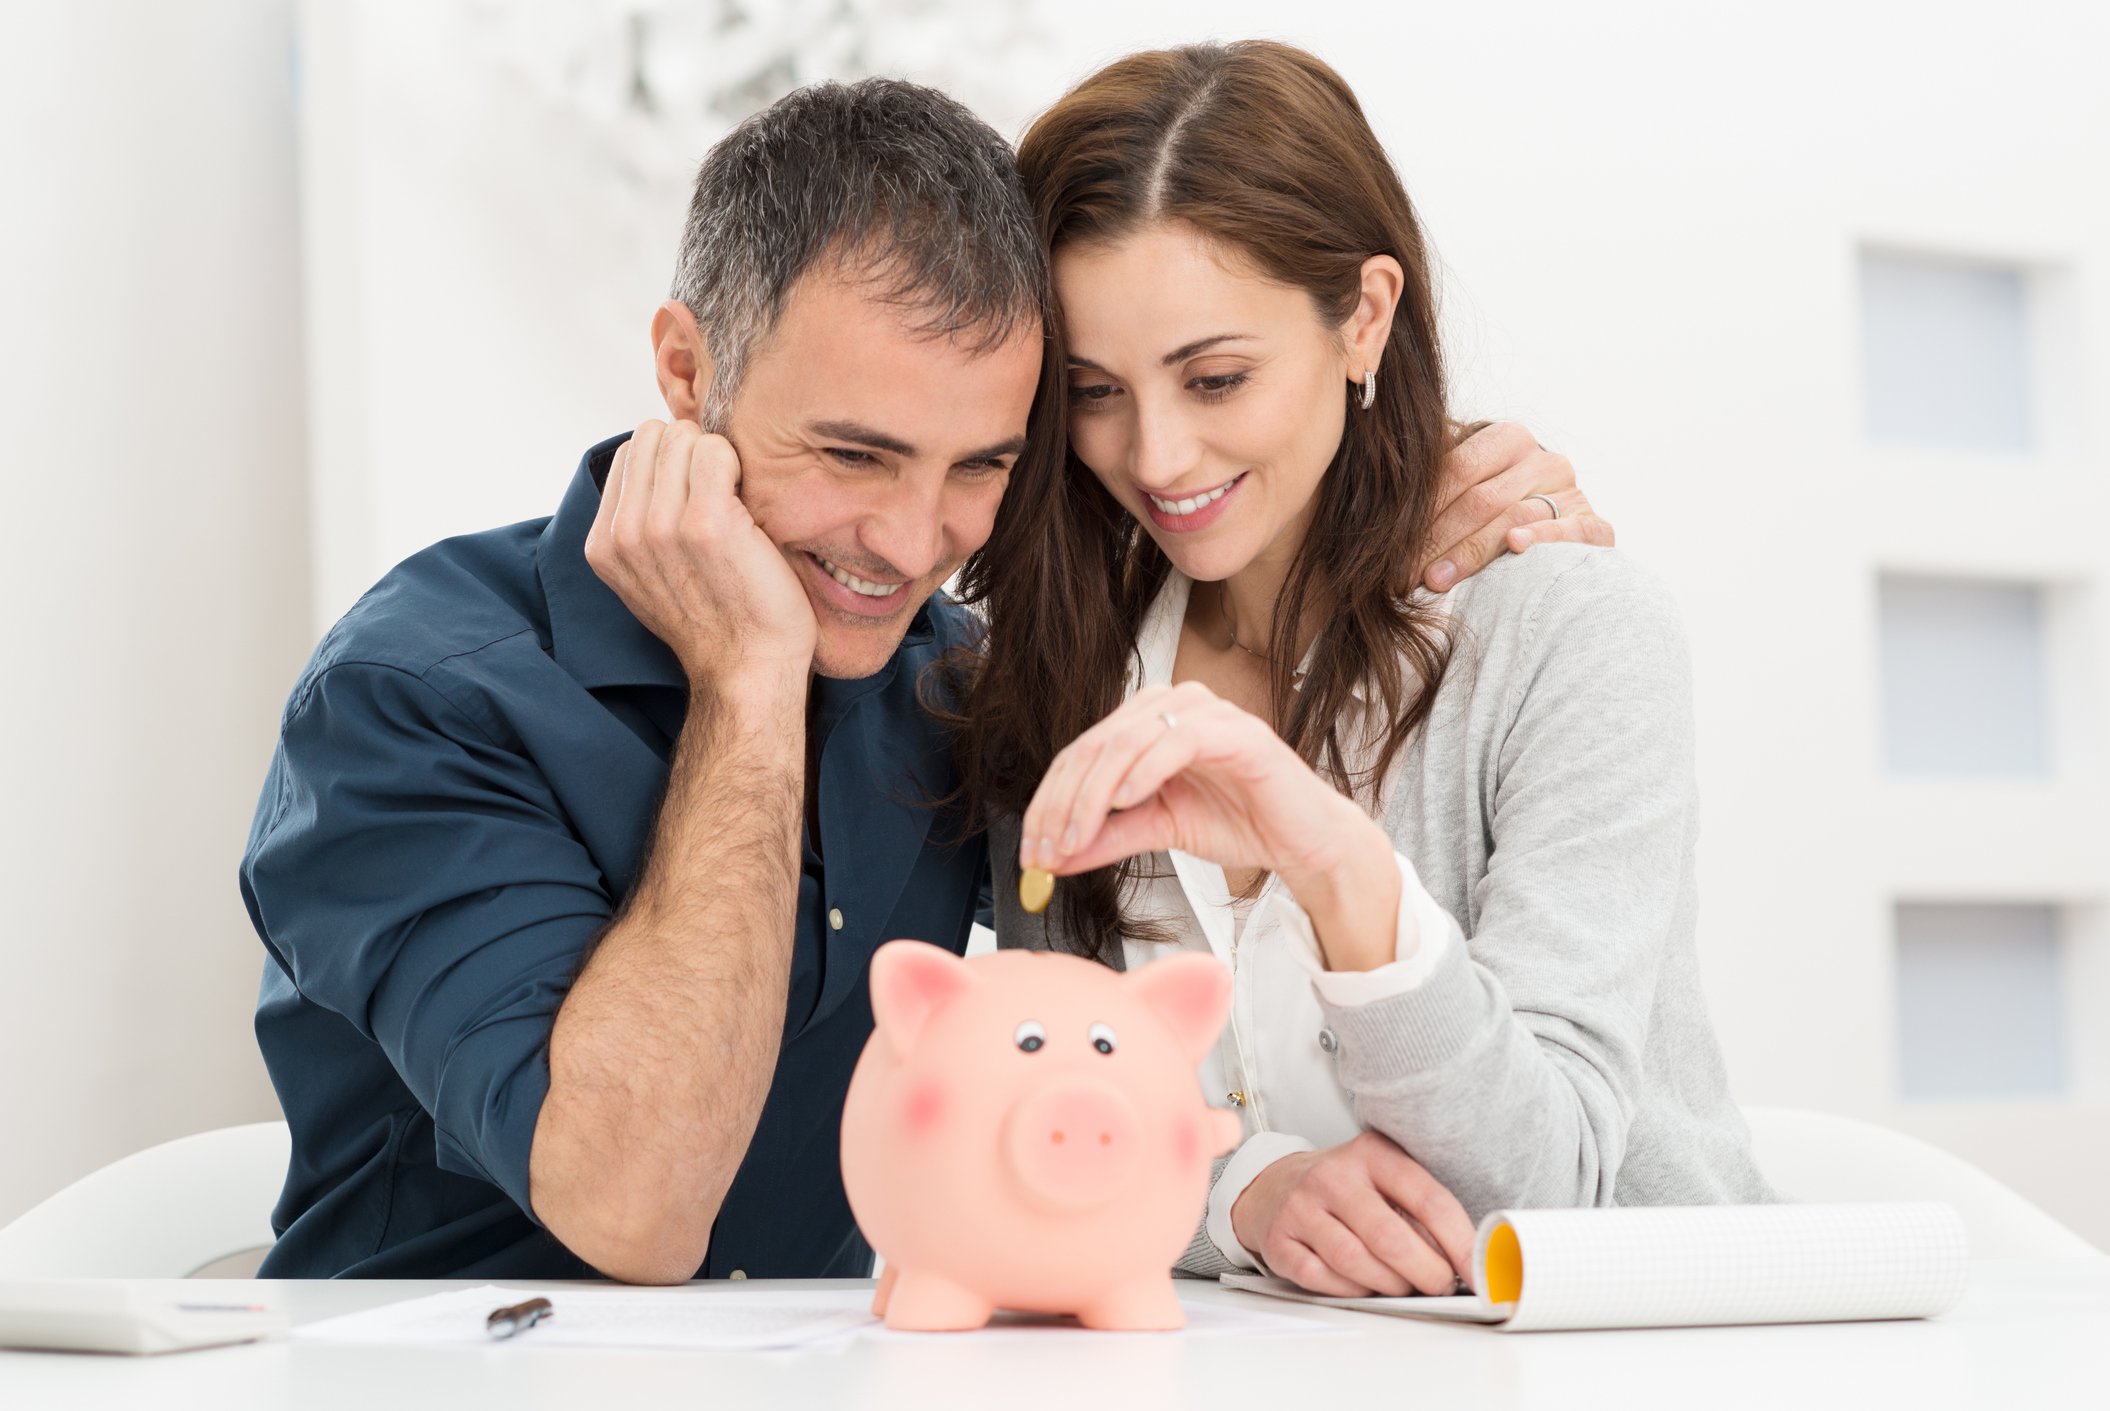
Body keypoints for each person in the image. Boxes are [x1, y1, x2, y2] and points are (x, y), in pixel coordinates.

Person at [239, 77, 1602, 1283]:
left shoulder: (965, 688)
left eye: (983, 467)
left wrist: (1423, 485)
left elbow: (1073, 1085)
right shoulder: (416, 692)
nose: (908, 544)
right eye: (850, 454)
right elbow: (634, 1209)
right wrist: (751, 681)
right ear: (684, 368)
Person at [965, 40, 1771, 1301]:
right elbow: (1034, 1108)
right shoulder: (1062, 671)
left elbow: (1545, 1189)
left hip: (1648, 1358)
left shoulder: (1568, 632)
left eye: (1216, 376)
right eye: (1093, 391)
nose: (1157, 454)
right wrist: (1243, 1190)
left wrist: (1342, 871)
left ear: (1366, 316)